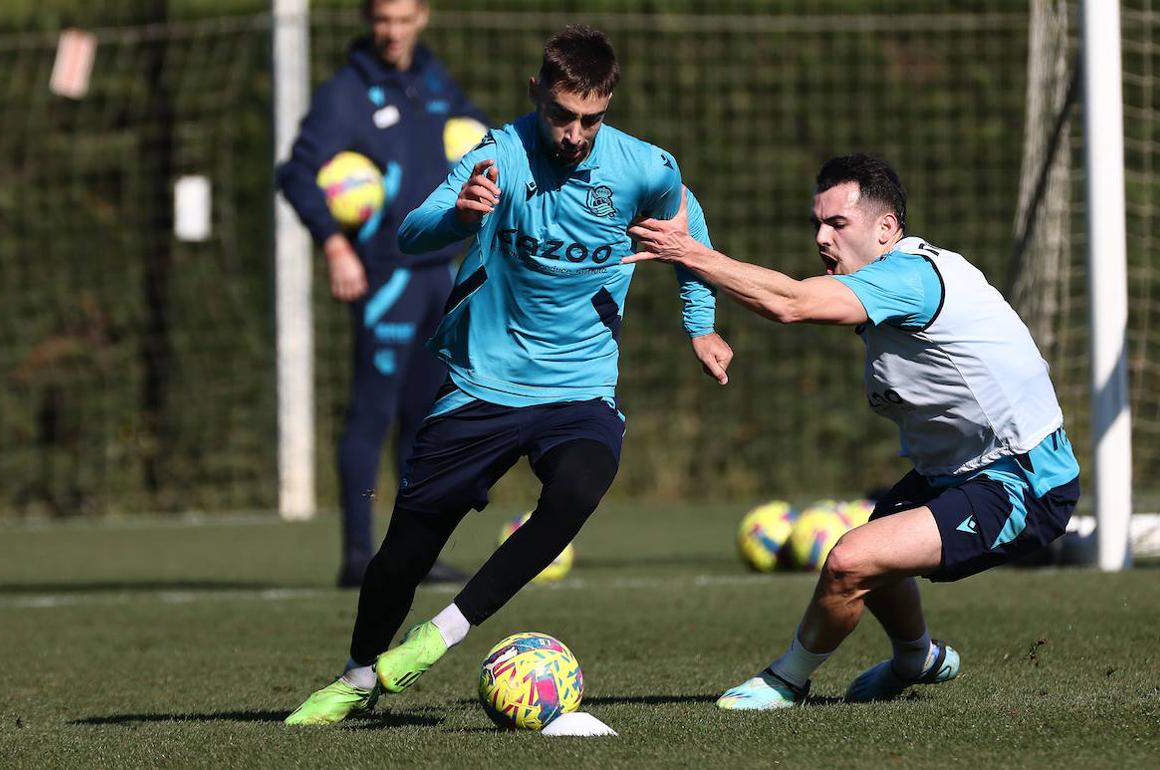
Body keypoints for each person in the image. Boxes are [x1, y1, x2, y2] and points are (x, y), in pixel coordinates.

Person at [284, 24, 734, 725]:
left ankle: (435, 641)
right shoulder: (496, 154)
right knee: (401, 555)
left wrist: (699, 323)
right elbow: (412, 232)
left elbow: (686, 226)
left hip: (579, 388)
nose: (575, 134)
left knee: (580, 486)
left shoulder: (644, 167)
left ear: (609, 104)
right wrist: (459, 216)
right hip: (481, 385)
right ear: (536, 94)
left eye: (591, 119)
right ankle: (357, 672)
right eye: (561, 115)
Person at [625, 154, 1080, 709]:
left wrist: (689, 252)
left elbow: (790, 304)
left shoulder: (909, 279)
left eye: (837, 224)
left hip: (1021, 480)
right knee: (878, 554)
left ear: (887, 228)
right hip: (954, 472)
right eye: (817, 223)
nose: (821, 237)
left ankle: (787, 680)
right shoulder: (888, 284)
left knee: (850, 559)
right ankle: (919, 659)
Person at [277, 0, 487, 588]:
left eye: (402, 19)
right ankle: (356, 556)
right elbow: (296, 173)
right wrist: (335, 246)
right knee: (372, 412)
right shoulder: (345, 93)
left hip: (438, 276)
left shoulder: (433, 81)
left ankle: (412, 553)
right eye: (380, 21)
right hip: (385, 278)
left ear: (423, 15)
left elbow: (488, 140)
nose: (390, 33)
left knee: (428, 420)